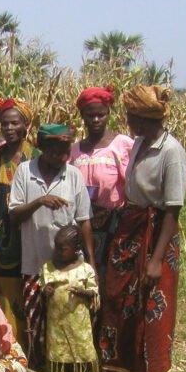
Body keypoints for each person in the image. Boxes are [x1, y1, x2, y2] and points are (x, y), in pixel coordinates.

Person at [98, 85, 186, 372]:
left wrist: (156, 259)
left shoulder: (171, 152)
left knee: (150, 303)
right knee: (118, 297)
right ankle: (121, 369)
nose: (126, 121)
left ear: (142, 118)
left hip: (156, 231)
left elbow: (173, 209)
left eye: (130, 116)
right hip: (130, 226)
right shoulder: (138, 142)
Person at [8, 124, 95, 367]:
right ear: (42, 149)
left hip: (67, 268)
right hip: (34, 263)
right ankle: (38, 369)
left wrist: (91, 261)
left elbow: (84, 220)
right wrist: (40, 201)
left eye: (65, 152)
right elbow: (14, 215)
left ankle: (67, 370)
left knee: (68, 320)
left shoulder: (74, 175)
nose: (62, 158)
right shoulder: (25, 172)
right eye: (55, 152)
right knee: (36, 322)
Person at [0, 98, 40, 352]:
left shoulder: (36, 156)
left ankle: (25, 350)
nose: (8, 128)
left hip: (27, 231)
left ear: (26, 125)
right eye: (4, 123)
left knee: (24, 288)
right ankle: (1, 345)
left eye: (14, 123)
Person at [70, 86, 134, 278]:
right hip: (82, 224)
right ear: (82, 116)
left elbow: (132, 185)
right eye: (90, 115)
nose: (96, 120)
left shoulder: (122, 145)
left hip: (115, 224)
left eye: (101, 115)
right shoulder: (74, 150)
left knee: (113, 278)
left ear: (108, 114)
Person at [41, 225, 101, 372]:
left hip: (78, 321)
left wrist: (83, 292)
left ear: (76, 250)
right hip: (57, 321)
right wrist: (46, 291)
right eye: (56, 247)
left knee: (85, 350)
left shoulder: (85, 269)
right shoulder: (48, 268)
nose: (58, 251)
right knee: (58, 352)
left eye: (63, 248)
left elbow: (94, 292)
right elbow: (43, 287)